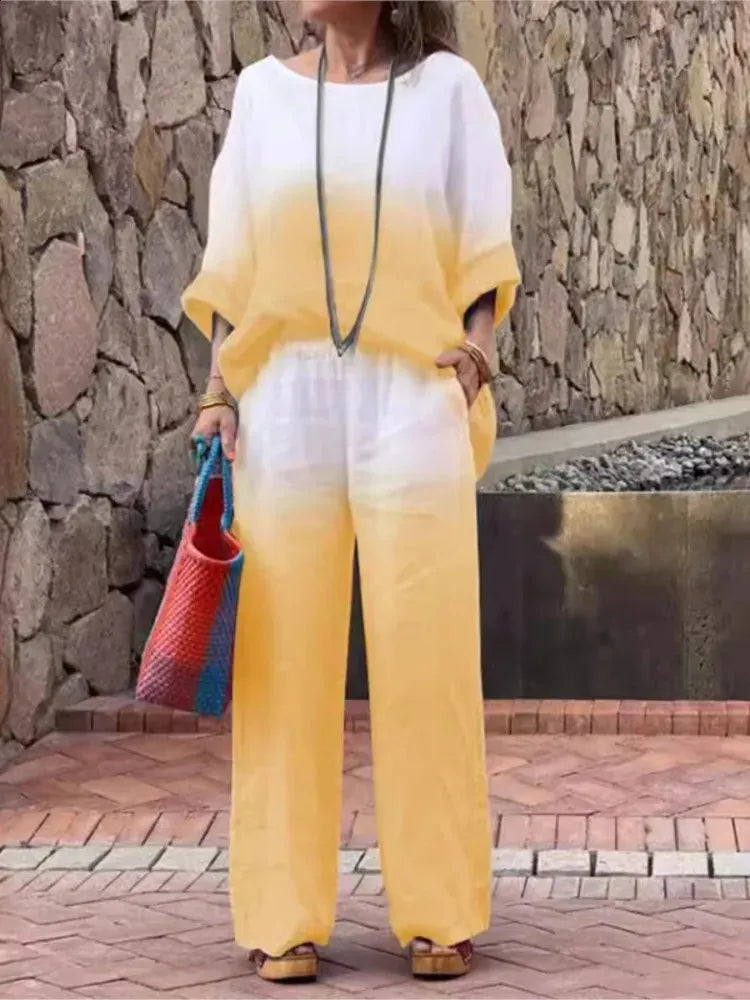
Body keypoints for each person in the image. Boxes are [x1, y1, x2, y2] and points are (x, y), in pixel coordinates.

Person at [184, 0, 519, 983]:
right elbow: (232, 263)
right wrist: (218, 392)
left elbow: (483, 242)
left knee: (429, 654)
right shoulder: (262, 96)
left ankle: (439, 908)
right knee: (279, 658)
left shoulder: (449, 91)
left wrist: (476, 357)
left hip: (413, 392)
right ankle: (281, 914)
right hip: (285, 395)